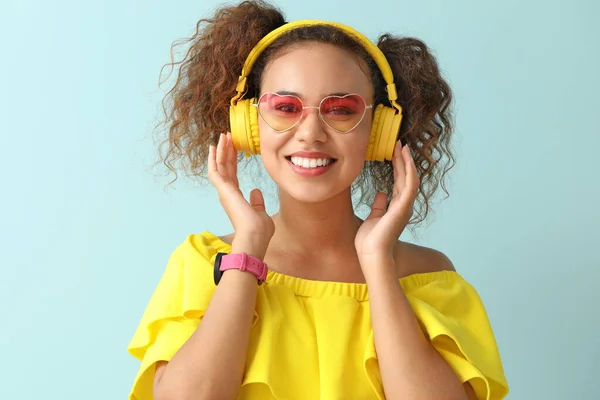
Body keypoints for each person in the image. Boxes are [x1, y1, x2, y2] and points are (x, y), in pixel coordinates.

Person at [127, 1, 509, 399]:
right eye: (286, 107)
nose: (310, 132)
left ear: (379, 130)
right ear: (249, 125)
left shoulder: (427, 276)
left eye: (341, 110)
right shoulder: (202, 264)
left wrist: (378, 263)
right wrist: (247, 251)